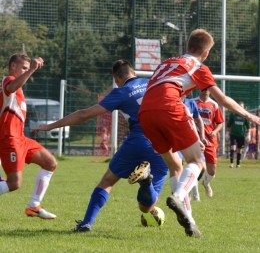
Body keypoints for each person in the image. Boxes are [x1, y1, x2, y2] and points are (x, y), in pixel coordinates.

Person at [31, 59, 182, 233]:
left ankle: (86, 223)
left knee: (107, 181)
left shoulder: (121, 91)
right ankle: (147, 182)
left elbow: (83, 114)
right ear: (133, 72)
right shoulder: (154, 83)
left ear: (116, 79)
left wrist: (49, 126)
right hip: (164, 142)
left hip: (138, 141)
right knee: (146, 207)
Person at [138, 28, 260, 237]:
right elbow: (222, 100)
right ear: (206, 53)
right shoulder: (199, 66)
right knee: (197, 162)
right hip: (168, 107)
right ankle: (177, 196)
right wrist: (249, 116)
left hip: (145, 113)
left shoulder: (167, 63)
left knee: (176, 166)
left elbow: (165, 90)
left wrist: (189, 127)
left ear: (188, 46)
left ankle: (191, 223)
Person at [0, 53, 57, 219]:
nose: (27, 70)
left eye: (27, 67)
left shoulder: (18, 87)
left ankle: (34, 205)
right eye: (23, 67)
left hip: (21, 139)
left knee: (50, 163)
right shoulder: (8, 81)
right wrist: (32, 68)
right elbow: (10, 87)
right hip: (10, 139)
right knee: (14, 183)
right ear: (13, 66)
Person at [193, 89, 224, 198]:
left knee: (212, 170)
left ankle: (205, 183)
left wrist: (214, 131)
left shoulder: (214, 105)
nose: (205, 90)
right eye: (203, 88)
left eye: (208, 89)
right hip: (195, 139)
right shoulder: (193, 102)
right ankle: (195, 194)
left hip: (210, 141)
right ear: (199, 89)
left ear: (210, 91)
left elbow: (220, 122)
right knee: (196, 165)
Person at [226, 101, 250, 168]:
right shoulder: (233, 114)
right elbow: (229, 125)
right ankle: (231, 163)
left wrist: (248, 134)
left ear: (243, 107)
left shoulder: (245, 115)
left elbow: (248, 126)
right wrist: (227, 132)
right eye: (239, 106)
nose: (240, 108)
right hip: (233, 134)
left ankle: (238, 163)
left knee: (239, 149)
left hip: (241, 135)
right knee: (233, 147)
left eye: (242, 106)